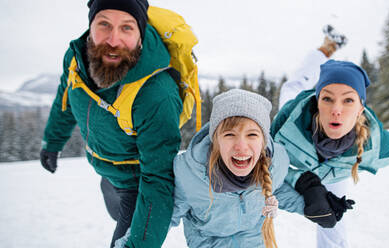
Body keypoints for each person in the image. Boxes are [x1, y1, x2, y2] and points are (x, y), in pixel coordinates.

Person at [271, 59, 389, 248]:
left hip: (336, 171)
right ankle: (322, 52)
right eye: (327, 98)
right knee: (290, 89)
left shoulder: (375, 144)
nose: (336, 110)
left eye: (348, 100)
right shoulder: (286, 124)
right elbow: (262, 163)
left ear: (360, 108)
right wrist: (302, 180)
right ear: (317, 101)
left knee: (332, 217)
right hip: (297, 134)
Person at [38, 0, 182, 247]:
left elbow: (158, 179)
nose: (113, 40)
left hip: (137, 185)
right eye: (104, 24)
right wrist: (53, 140)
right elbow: (66, 95)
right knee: (114, 211)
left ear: (140, 35)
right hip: (106, 172)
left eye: (127, 27)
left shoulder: (157, 93)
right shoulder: (75, 60)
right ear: (90, 27)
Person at [165, 89, 353, 248]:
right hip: (208, 243)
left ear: (263, 141)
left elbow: (276, 190)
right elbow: (164, 217)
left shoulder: (275, 162)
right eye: (230, 134)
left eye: (252, 135)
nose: (241, 146)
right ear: (216, 141)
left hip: (255, 242)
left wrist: (313, 207)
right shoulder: (189, 174)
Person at [279, 24, 347, 108]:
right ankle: (330, 46)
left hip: (293, 103)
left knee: (293, 88)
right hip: (296, 104)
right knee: (294, 88)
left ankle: (330, 46)